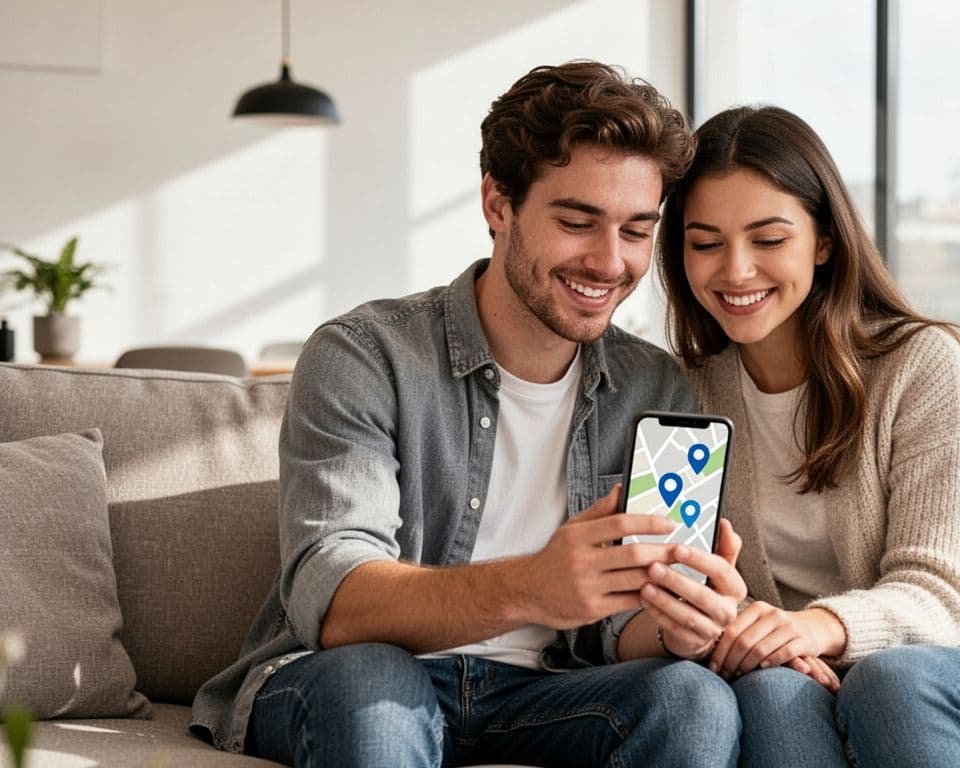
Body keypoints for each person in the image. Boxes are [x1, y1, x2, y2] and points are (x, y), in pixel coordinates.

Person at [189, 61, 749, 768]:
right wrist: (532, 584)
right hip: (359, 669)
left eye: (637, 230)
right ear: (498, 204)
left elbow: (616, 629)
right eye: (578, 221)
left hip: (544, 692)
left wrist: (678, 630)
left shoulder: (652, 387)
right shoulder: (365, 355)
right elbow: (335, 598)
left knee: (694, 699)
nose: (611, 262)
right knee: (374, 684)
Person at [654, 105, 960, 768]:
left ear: (823, 241)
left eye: (768, 239)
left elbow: (936, 590)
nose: (735, 270)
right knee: (766, 695)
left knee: (891, 682)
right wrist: (756, 640)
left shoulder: (918, 364)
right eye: (705, 242)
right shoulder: (684, 392)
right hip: (797, 669)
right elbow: (678, 584)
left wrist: (815, 627)